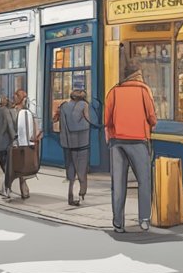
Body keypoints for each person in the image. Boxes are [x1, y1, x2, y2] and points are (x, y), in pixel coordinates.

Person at [104, 63, 157, 233]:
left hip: (117, 142)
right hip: (138, 141)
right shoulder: (143, 91)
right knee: (144, 181)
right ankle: (144, 219)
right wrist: (151, 125)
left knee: (118, 183)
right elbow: (151, 116)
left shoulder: (113, 92)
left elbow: (107, 120)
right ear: (135, 75)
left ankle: (118, 222)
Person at [58, 89, 92, 206]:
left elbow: (62, 125)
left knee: (70, 170)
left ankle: (70, 195)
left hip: (68, 144)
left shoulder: (64, 107)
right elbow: (88, 121)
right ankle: (81, 193)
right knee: (82, 170)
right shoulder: (84, 105)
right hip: (82, 143)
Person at [6, 91, 40, 200]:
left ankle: (11, 189)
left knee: (18, 168)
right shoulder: (25, 113)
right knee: (19, 167)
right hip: (20, 145)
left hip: (16, 145)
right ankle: (18, 189)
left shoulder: (14, 112)